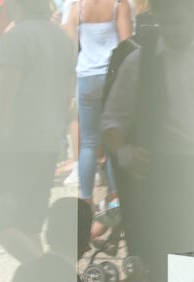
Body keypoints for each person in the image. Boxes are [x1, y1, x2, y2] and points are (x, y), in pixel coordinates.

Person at [100, 0, 194, 282]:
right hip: (161, 175)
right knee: (165, 260)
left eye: (179, 22)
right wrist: (125, 152)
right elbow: (111, 119)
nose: (174, 32)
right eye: (166, 24)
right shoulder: (140, 61)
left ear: (193, 15)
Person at [0, 0, 75, 262]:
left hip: (15, 146)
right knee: (29, 225)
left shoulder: (16, 37)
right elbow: (67, 95)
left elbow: (3, 98)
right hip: (47, 143)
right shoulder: (61, 37)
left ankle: (52, 278)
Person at [64, 0, 132, 205]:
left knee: (88, 142)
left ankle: (86, 199)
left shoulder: (78, 9)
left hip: (86, 78)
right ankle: (114, 197)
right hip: (111, 77)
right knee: (113, 139)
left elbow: (70, 50)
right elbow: (127, 44)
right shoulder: (119, 5)